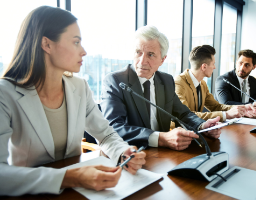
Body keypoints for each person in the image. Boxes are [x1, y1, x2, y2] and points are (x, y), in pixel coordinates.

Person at [0, 6, 146, 196]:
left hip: (79, 192)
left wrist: (123, 152)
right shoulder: (5, 94)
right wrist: (69, 177)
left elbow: (106, 135)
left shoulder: (79, 87)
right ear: (47, 44)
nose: (83, 51)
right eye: (76, 42)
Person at [100, 25, 221, 151]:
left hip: (164, 154)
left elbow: (183, 114)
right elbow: (113, 127)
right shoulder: (115, 81)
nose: (142, 61)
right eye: (138, 52)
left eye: (150, 55)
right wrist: (161, 138)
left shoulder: (166, 80)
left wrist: (202, 126)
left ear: (162, 60)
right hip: (132, 154)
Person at [174, 45, 256, 125]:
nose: (214, 67)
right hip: (179, 132)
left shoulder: (202, 83)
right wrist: (226, 115)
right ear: (204, 67)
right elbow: (187, 115)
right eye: (213, 64)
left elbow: (216, 106)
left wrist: (242, 107)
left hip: (196, 128)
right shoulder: (178, 83)